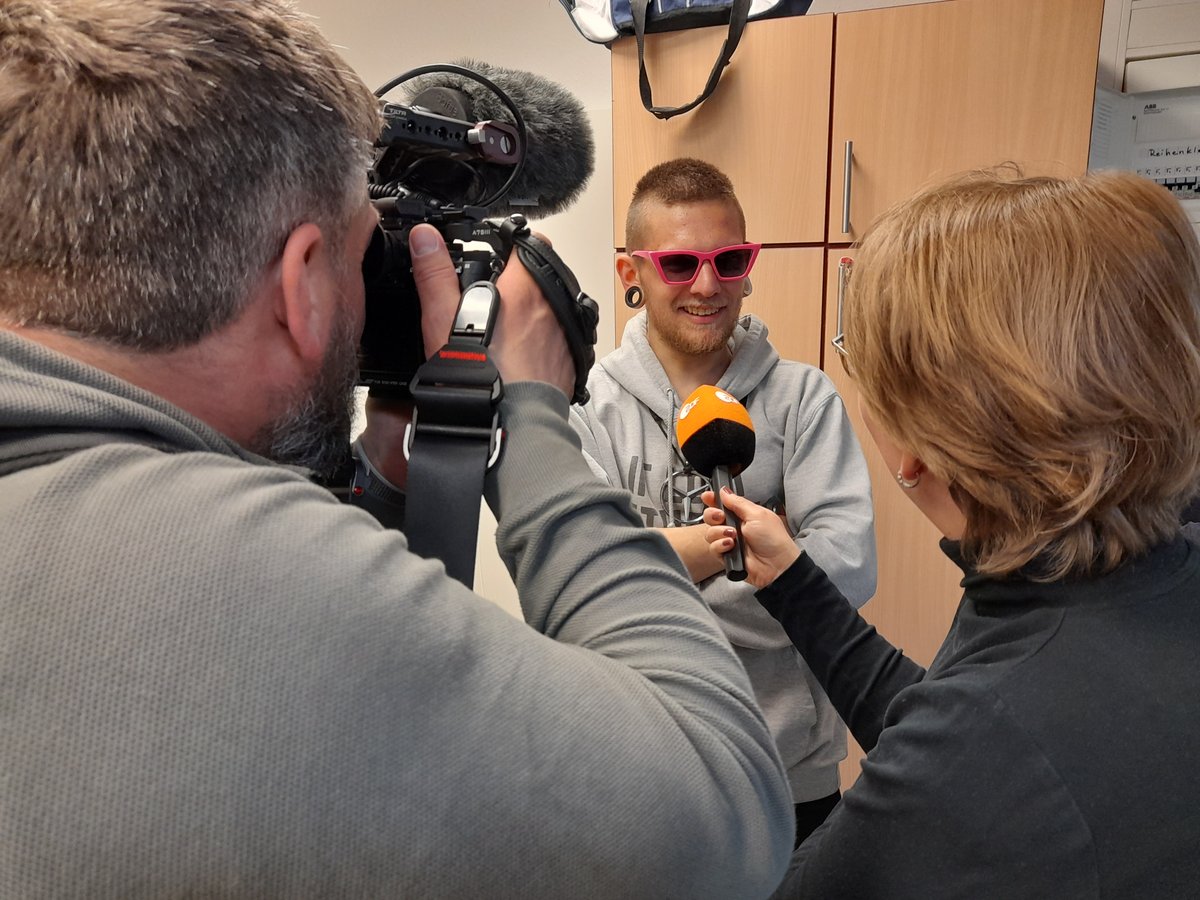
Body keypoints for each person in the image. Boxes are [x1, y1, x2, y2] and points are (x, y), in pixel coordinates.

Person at [0, 2, 797, 896]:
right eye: (358, 256)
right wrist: (530, 410)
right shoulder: (252, 575)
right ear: (304, 287)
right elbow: (716, 816)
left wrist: (387, 464)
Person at [704, 168, 1200, 898]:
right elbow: (944, 727)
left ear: (919, 446)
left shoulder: (982, 750)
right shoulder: (1121, 588)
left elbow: (962, 757)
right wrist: (795, 584)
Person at [570, 157, 877, 844]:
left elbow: (849, 570)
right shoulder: (587, 409)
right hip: (647, 768)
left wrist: (657, 569)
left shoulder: (804, 399)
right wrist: (764, 559)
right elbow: (590, 589)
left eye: (729, 259)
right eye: (679, 264)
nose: (708, 285)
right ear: (633, 275)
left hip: (792, 778)